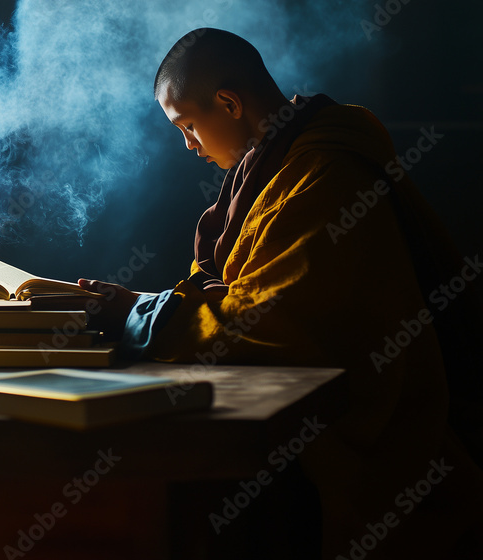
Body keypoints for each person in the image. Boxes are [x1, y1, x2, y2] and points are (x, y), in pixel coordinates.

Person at [80, 28, 483, 559]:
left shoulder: (326, 171)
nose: (189, 146)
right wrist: (136, 304)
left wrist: (138, 313)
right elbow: (238, 289)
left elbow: (276, 316)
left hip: (370, 441)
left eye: (188, 127)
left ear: (228, 102)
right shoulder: (270, 166)